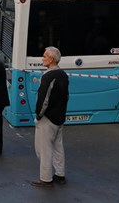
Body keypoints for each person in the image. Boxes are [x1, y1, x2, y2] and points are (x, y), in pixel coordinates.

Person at [31, 46, 69, 188]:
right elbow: (65, 97)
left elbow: (43, 99)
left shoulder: (47, 76)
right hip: (59, 117)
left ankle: (45, 179)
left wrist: (38, 116)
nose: (43, 58)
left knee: (43, 149)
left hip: (47, 118)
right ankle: (60, 174)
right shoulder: (64, 75)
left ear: (51, 59)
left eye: (45, 56)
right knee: (58, 147)